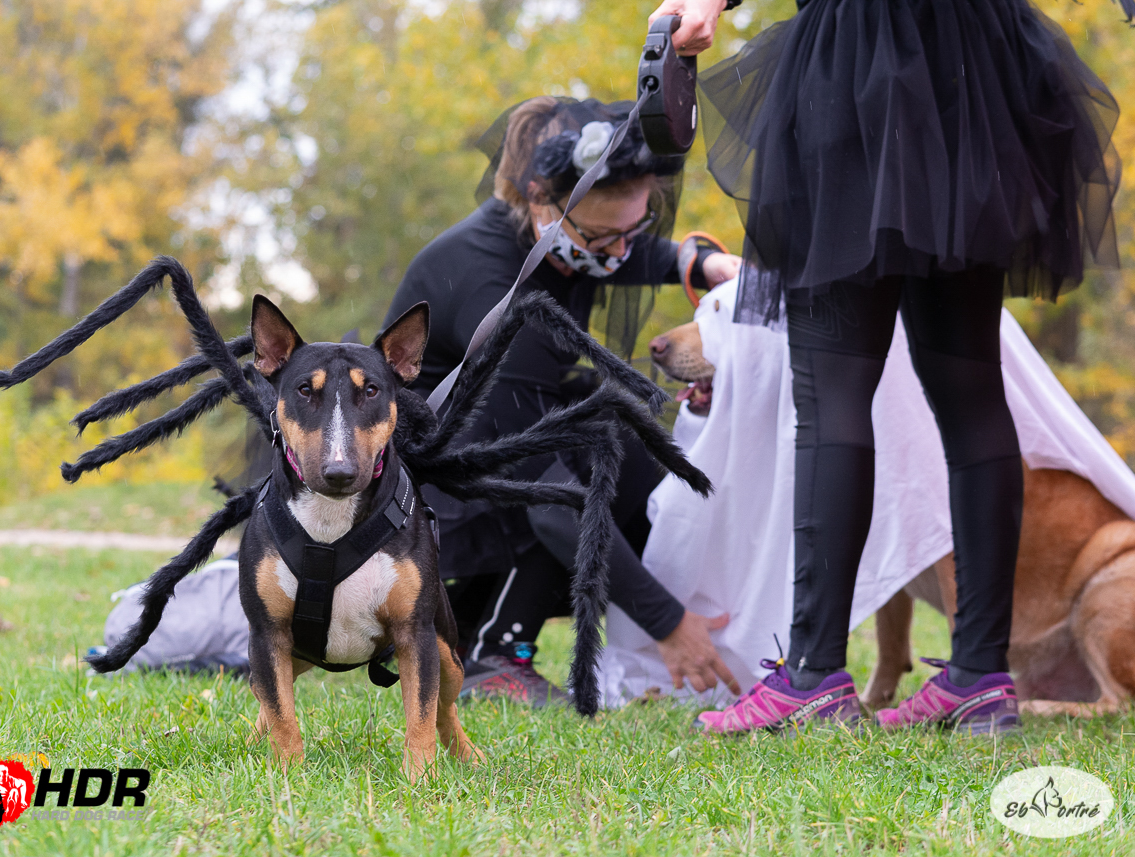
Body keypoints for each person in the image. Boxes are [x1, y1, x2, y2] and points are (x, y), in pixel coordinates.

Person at [652, 0, 1121, 734]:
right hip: (979, 61)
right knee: (972, 389)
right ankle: (980, 676)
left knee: (833, 395)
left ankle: (812, 674)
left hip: (854, 58)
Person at [382, 96, 743, 706]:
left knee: (617, 425)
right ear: (540, 200)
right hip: (421, 488)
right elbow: (551, 501)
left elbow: (633, 250)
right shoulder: (500, 293)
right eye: (606, 237)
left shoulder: (562, 235)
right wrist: (670, 626)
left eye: (635, 230)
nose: (620, 253)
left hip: (483, 447)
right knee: (591, 449)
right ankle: (498, 652)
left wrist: (704, 262)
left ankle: (473, 628)